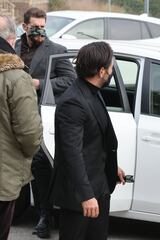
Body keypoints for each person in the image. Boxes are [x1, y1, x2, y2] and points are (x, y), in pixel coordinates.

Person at [51, 41, 126, 240]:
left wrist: (111, 166)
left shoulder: (92, 91)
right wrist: (85, 196)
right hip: (81, 197)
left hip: (99, 187)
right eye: (111, 66)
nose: (112, 70)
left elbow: (95, 140)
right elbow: (72, 155)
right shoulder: (73, 102)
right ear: (102, 71)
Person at [15, 7, 76, 238]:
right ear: (25, 27)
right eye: (35, 27)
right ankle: (15, 209)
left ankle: (44, 215)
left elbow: (70, 80)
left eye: (43, 26)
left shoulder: (56, 50)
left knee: (39, 164)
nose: (40, 30)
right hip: (12, 116)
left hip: (39, 116)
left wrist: (39, 84)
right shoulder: (14, 47)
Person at [0, 15, 43, 240]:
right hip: (3, 176)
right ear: (12, 38)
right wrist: (28, 154)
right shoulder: (16, 77)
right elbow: (30, 133)